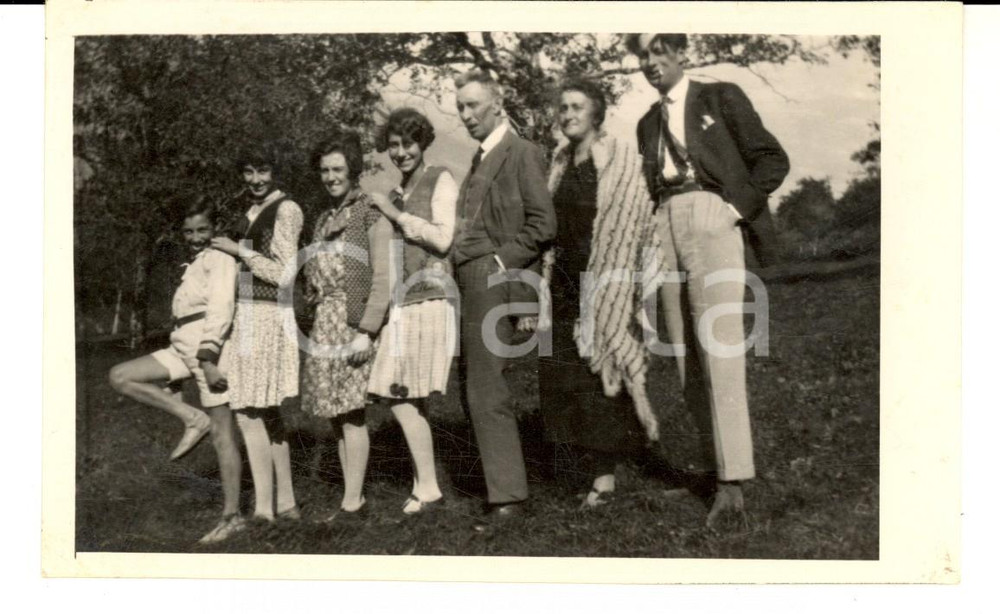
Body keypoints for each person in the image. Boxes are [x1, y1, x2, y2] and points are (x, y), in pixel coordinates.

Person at [626, 33, 790, 527]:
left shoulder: (720, 97)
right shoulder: (646, 122)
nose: (650, 63)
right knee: (682, 354)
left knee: (719, 350)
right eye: (642, 57)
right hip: (665, 223)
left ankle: (732, 483)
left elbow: (771, 158)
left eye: (659, 53)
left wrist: (734, 209)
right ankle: (709, 470)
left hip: (711, 216)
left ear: (681, 55)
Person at [535, 79, 663, 509]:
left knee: (598, 375)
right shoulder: (558, 162)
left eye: (577, 107)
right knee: (561, 375)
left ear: (596, 113)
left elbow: (636, 216)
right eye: (563, 108)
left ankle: (604, 477)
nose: (568, 114)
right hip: (563, 280)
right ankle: (576, 469)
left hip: (605, 280)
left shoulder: (621, 158)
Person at [451, 69, 557, 527]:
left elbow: (542, 225)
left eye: (473, 105)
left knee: (486, 390)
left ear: (497, 103)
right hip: (470, 280)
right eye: (460, 107)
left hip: (494, 280)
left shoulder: (521, 152)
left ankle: (509, 496)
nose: (465, 114)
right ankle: (500, 486)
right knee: (473, 388)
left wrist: (498, 265)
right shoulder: (479, 158)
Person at [108, 196, 243, 540]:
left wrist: (209, 359)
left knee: (222, 435)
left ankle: (232, 516)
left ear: (215, 229)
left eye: (203, 230)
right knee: (120, 376)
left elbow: (221, 308)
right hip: (180, 344)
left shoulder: (221, 258)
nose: (195, 236)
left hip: (207, 348)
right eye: (189, 231)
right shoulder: (195, 262)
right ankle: (190, 417)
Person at [368, 108, 458, 514]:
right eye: (394, 146)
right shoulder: (400, 187)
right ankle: (427, 487)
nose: (401, 152)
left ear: (422, 143)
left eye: (408, 144)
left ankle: (428, 487)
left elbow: (442, 239)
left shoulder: (441, 178)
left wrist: (395, 214)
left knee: (400, 393)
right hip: (405, 303)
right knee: (406, 395)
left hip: (431, 298)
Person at [209, 144, 302, 534]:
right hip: (249, 315)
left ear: (275, 171)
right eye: (248, 172)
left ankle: (264, 510)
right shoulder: (250, 212)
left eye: (262, 171)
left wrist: (238, 252)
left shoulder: (287, 210)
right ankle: (287, 503)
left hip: (266, 316)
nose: (255, 180)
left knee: (248, 411)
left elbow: (284, 274)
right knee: (265, 412)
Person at [300, 131, 393, 517]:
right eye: (324, 170)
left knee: (352, 412)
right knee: (336, 414)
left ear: (352, 169)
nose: (330, 176)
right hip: (326, 322)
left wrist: (366, 332)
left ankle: (354, 500)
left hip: (353, 324)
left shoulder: (369, 213)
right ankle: (349, 495)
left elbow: (383, 278)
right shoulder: (323, 218)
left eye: (337, 168)